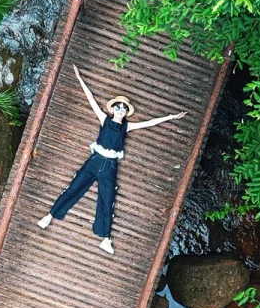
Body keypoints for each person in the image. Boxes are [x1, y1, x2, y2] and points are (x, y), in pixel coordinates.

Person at [38, 66, 186, 254]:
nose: (120, 110)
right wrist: (79, 76)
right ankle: (50, 215)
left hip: (109, 167)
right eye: (118, 107)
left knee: (108, 200)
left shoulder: (127, 127)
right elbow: (90, 98)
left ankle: (106, 239)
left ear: (126, 112)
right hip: (94, 161)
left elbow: (149, 123)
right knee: (73, 187)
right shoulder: (104, 119)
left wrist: (171, 117)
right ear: (114, 108)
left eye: (124, 109)